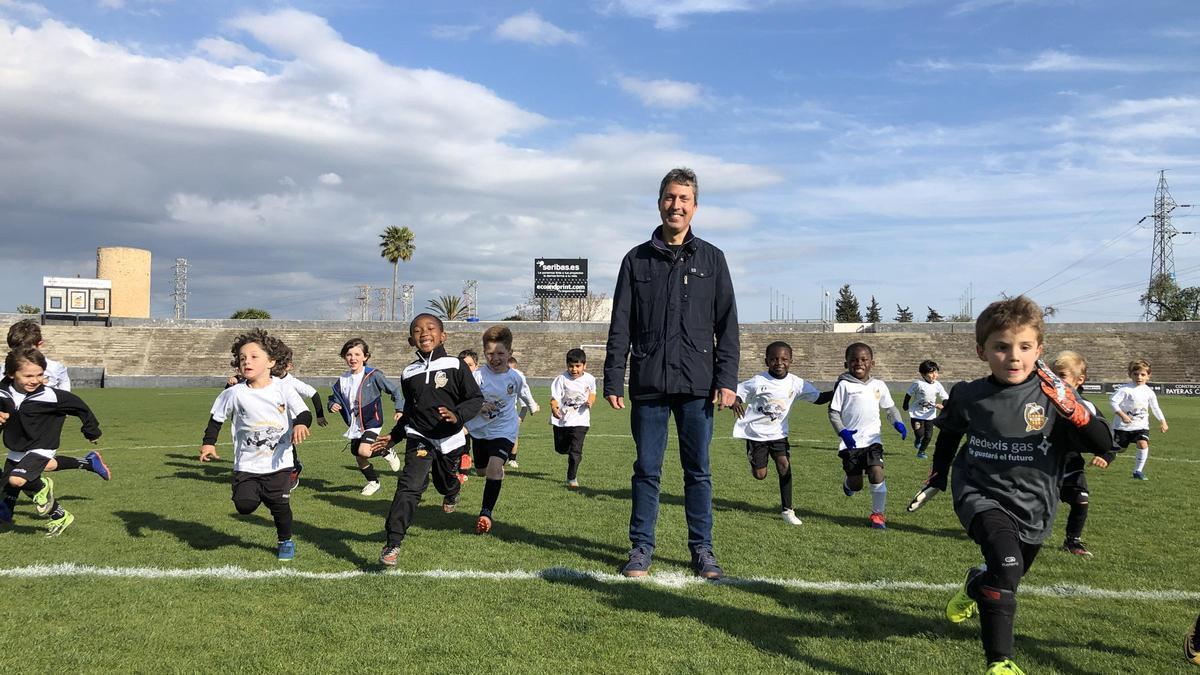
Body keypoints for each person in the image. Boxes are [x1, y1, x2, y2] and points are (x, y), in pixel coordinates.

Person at [921, 296, 1113, 675]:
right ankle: (1000, 662)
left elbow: (1103, 443)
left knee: (1009, 573)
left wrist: (1073, 411)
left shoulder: (1056, 395)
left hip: (1036, 504)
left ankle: (976, 585)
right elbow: (948, 436)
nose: (1014, 357)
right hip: (980, 493)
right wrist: (939, 477)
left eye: (1025, 347)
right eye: (1001, 347)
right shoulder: (968, 395)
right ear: (981, 351)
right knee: (1008, 568)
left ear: (1039, 350)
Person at [604, 166, 739, 580]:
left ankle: (703, 550)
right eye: (670, 197)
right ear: (659, 202)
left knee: (698, 471)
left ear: (695, 207)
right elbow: (620, 324)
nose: (676, 205)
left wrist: (727, 380)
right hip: (649, 383)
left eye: (684, 199)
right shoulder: (635, 259)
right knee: (647, 469)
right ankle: (641, 549)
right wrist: (613, 377)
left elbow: (727, 325)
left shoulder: (713, 259)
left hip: (698, 385)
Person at [373, 314, 483, 566]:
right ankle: (393, 543)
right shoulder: (408, 372)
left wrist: (457, 416)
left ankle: (452, 491)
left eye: (431, 328)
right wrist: (394, 436)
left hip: (450, 439)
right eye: (417, 330)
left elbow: (475, 399)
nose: (424, 333)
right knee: (410, 486)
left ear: (443, 335)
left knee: (445, 484)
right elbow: (411, 412)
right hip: (420, 437)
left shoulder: (456, 365)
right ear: (411, 340)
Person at [200, 330, 311, 561]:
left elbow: (303, 412)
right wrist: (208, 444)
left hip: (279, 461)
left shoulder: (282, 388)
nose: (246, 361)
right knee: (244, 505)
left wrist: (300, 424)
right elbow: (216, 418)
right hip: (247, 462)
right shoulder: (234, 393)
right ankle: (259, 492)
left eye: (253, 357)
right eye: (242, 358)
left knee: (279, 507)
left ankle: (285, 541)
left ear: (271, 362)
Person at [0, 348, 101, 535]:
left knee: (17, 479)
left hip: (42, 446)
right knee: (6, 487)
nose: (35, 380)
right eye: (28, 375)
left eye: (40, 375)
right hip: (17, 447)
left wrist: (91, 430)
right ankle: (60, 516)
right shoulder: (2, 392)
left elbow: (81, 407)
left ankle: (45, 486)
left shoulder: (51, 395)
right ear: (11, 374)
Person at [730, 341, 832, 525]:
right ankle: (753, 457)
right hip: (756, 434)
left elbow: (818, 399)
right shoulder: (758, 381)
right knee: (760, 475)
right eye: (774, 359)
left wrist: (838, 390)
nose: (779, 362)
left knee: (784, 465)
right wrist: (736, 401)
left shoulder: (797, 383)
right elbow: (739, 393)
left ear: (791, 360)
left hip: (778, 434)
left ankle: (788, 510)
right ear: (766, 360)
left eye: (784, 359)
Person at [828, 342, 906, 530]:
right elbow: (833, 412)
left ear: (872, 363)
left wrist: (898, 422)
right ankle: (848, 484)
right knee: (856, 485)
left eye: (864, 360)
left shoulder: (879, 385)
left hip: (872, 441)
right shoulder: (844, 385)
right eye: (854, 360)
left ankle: (878, 515)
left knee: (876, 472)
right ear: (846, 363)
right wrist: (843, 432)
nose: (859, 363)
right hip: (851, 444)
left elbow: (889, 408)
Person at [465, 325, 530, 534]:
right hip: (480, 431)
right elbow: (465, 401)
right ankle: (491, 476)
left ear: (509, 353)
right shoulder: (477, 376)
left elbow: (523, 396)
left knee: (495, 467)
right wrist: (480, 406)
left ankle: (486, 513)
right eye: (490, 353)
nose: (495, 358)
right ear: (484, 353)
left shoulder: (516, 377)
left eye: (500, 353)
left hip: (504, 430)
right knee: (483, 470)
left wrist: (529, 410)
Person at [1049, 351, 1113, 558]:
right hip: (1041, 464)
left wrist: (1106, 456)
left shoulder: (1086, 407)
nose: (1056, 380)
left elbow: (1106, 440)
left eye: (1062, 375)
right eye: (1053, 375)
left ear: (1079, 380)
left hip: (1070, 463)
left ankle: (1072, 540)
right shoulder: (1040, 403)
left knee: (1081, 500)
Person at [328, 338, 402, 495]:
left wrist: (399, 408)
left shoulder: (373, 375)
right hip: (355, 424)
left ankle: (386, 451)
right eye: (349, 354)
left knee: (364, 451)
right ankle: (373, 482)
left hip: (372, 421)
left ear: (365, 357)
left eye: (357, 354)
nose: (353, 358)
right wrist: (331, 405)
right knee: (359, 457)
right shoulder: (342, 380)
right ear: (344, 357)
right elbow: (333, 398)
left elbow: (394, 390)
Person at [271, 345, 329, 493]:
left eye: (280, 364)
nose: (276, 367)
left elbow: (314, 393)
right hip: (275, 420)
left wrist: (320, 415)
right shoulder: (268, 380)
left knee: (288, 444)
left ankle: (293, 470)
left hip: (296, 420)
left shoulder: (292, 382)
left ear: (288, 366)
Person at [1110, 358, 1168, 481]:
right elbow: (1113, 402)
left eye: (1143, 374)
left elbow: (1155, 407)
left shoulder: (1149, 392)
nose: (1139, 377)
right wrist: (1123, 415)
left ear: (1148, 376)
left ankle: (1138, 471)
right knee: (1119, 449)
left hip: (1141, 426)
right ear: (1130, 374)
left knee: (1143, 444)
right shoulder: (1125, 389)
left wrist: (1162, 421)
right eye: (1136, 374)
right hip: (1123, 427)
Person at [549, 348, 597, 489]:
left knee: (576, 452)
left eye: (578, 366)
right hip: (562, 420)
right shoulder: (561, 379)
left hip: (581, 420)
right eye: (571, 366)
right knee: (561, 449)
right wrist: (554, 408)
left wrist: (590, 401)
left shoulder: (590, 379)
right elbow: (555, 398)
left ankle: (572, 478)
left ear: (584, 365)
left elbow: (592, 393)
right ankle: (570, 451)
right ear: (567, 365)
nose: (574, 369)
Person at [6, 319, 70, 389]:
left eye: (28, 350)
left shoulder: (55, 368)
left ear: (40, 345)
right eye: (17, 351)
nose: (22, 354)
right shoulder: (5, 368)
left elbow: (65, 392)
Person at [903, 360, 948, 459]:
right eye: (931, 372)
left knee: (928, 436)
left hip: (930, 415)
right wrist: (905, 404)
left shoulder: (937, 385)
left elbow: (945, 397)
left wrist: (944, 406)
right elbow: (908, 394)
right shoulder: (918, 384)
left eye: (936, 372)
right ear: (923, 374)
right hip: (916, 414)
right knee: (920, 434)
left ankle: (921, 452)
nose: (934, 375)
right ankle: (918, 439)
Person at [504, 355, 538, 469]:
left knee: (514, 436)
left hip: (511, 414)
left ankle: (512, 459)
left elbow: (524, 403)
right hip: (495, 414)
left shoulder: (517, 382)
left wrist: (520, 418)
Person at [455, 349, 481, 482]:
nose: (466, 368)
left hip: (479, 420)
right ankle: (460, 471)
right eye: (463, 365)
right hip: (460, 419)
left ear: (476, 366)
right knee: (460, 444)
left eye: (470, 365)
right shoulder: (454, 380)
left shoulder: (481, 380)